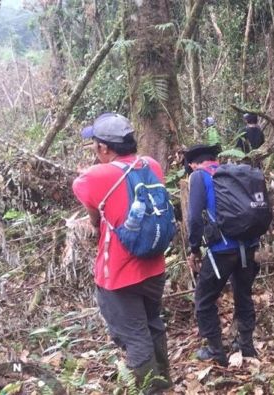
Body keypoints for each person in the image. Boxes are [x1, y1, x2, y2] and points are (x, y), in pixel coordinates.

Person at [72, 113, 170, 391]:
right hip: (154, 267)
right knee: (153, 325)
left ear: (104, 148)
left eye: (95, 144)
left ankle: (152, 389)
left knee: (134, 336)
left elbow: (92, 210)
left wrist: (92, 175)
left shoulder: (94, 176)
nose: (94, 149)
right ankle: (163, 382)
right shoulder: (151, 164)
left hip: (119, 274)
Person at [185, 144, 260, 366]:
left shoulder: (198, 176)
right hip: (248, 245)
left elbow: (195, 218)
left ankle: (216, 350)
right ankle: (246, 346)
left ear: (192, 164)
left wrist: (194, 248)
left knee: (204, 299)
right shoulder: (232, 172)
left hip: (221, 249)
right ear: (214, 158)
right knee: (243, 295)